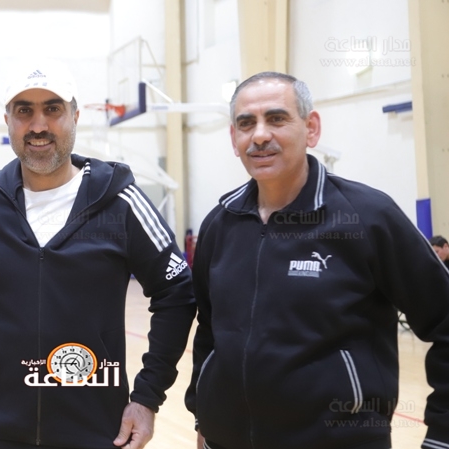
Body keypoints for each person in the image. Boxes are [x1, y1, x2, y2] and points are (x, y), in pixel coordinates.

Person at [0, 60, 196, 449]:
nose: (38, 125)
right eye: (24, 111)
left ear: (75, 116)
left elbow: (177, 292)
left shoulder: (120, 202)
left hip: (96, 431)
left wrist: (147, 397)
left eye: (52, 109)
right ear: (8, 121)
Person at [185, 72, 449, 449]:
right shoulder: (220, 223)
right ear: (233, 138)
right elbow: (210, 330)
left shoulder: (367, 217)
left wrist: (442, 437)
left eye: (276, 118)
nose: (259, 135)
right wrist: (203, 416)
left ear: (311, 129)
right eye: (246, 123)